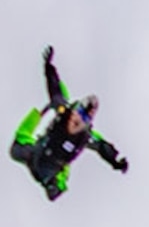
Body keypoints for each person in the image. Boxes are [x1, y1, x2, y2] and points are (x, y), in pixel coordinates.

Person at [11, 48, 128, 202]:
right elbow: (56, 90)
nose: (78, 119)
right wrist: (49, 67)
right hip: (37, 153)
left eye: (84, 118)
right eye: (79, 112)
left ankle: (56, 183)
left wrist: (116, 162)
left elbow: (104, 147)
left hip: (52, 170)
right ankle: (35, 145)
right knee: (16, 149)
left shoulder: (87, 137)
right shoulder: (64, 110)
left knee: (55, 192)